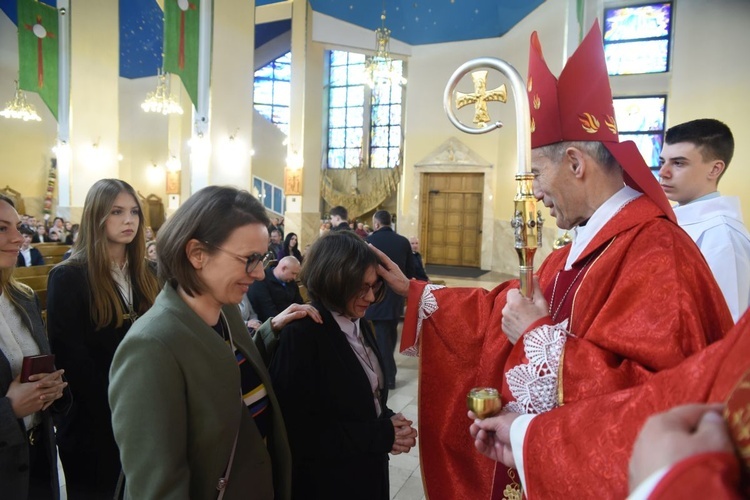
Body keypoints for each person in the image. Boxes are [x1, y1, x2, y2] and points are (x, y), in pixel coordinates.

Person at [373, 22, 733, 500]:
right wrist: (418, 293)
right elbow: (504, 305)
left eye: (538, 174)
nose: (535, 192)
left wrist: (538, 336)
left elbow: (660, 407)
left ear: (575, 162)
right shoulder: (580, 247)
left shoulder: (657, 257)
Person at [108, 185, 321, 499]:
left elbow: (225, 373)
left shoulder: (228, 313)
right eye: (249, 259)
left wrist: (268, 329)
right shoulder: (150, 347)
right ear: (197, 253)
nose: (261, 273)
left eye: (262, 259)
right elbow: (158, 488)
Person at [468, 308, 750, 498]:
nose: (545, 214)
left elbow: (650, 388)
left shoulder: (663, 252)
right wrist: (525, 437)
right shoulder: (569, 253)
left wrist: (539, 335)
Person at [269, 231, 418, 499]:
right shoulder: (303, 333)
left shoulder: (358, 320)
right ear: (334, 279)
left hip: (366, 473)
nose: (371, 297)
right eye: (361, 287)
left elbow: (357, 397)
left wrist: (388, 419)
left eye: (374, 286)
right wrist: (380, 435)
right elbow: (297, 431)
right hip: (328, 483)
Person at [46, 179, 160, 498]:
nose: (129, 220)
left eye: (134, 212)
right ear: (97, 217)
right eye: (117, 212)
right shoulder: (68, 277)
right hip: (93, 422)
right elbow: (72, 361)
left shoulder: (150, 274)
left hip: (147, 415)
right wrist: (127, 406)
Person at [0, 194, 70, 499]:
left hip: (37, 454)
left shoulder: (23, 298)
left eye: (17, 227)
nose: (18, 237)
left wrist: (52, 390)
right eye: (2, 228)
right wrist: (9, 408)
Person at [659, 118, 750, 322]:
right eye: (662, 161)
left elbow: (726, 325)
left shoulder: (722, 237)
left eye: (679, 163)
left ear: (715, 169)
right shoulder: (679, 221)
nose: (663, 173)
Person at [365, 210, 415, 390]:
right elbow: (410, 271)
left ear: (376, 224)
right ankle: (387, 375)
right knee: (389, 336)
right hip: (396, 297)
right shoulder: (402, 241)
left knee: (382, 340)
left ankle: (388, 378)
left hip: (375, 297)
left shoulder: (370, 242)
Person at [248, 256, 304, 322]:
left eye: (296, 274)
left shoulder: (291, 282)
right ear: (283, 268)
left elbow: (299, 303)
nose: (294, 277)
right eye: (293, 273)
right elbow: (269, 313)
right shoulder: (261, 282)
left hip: (293, 321)